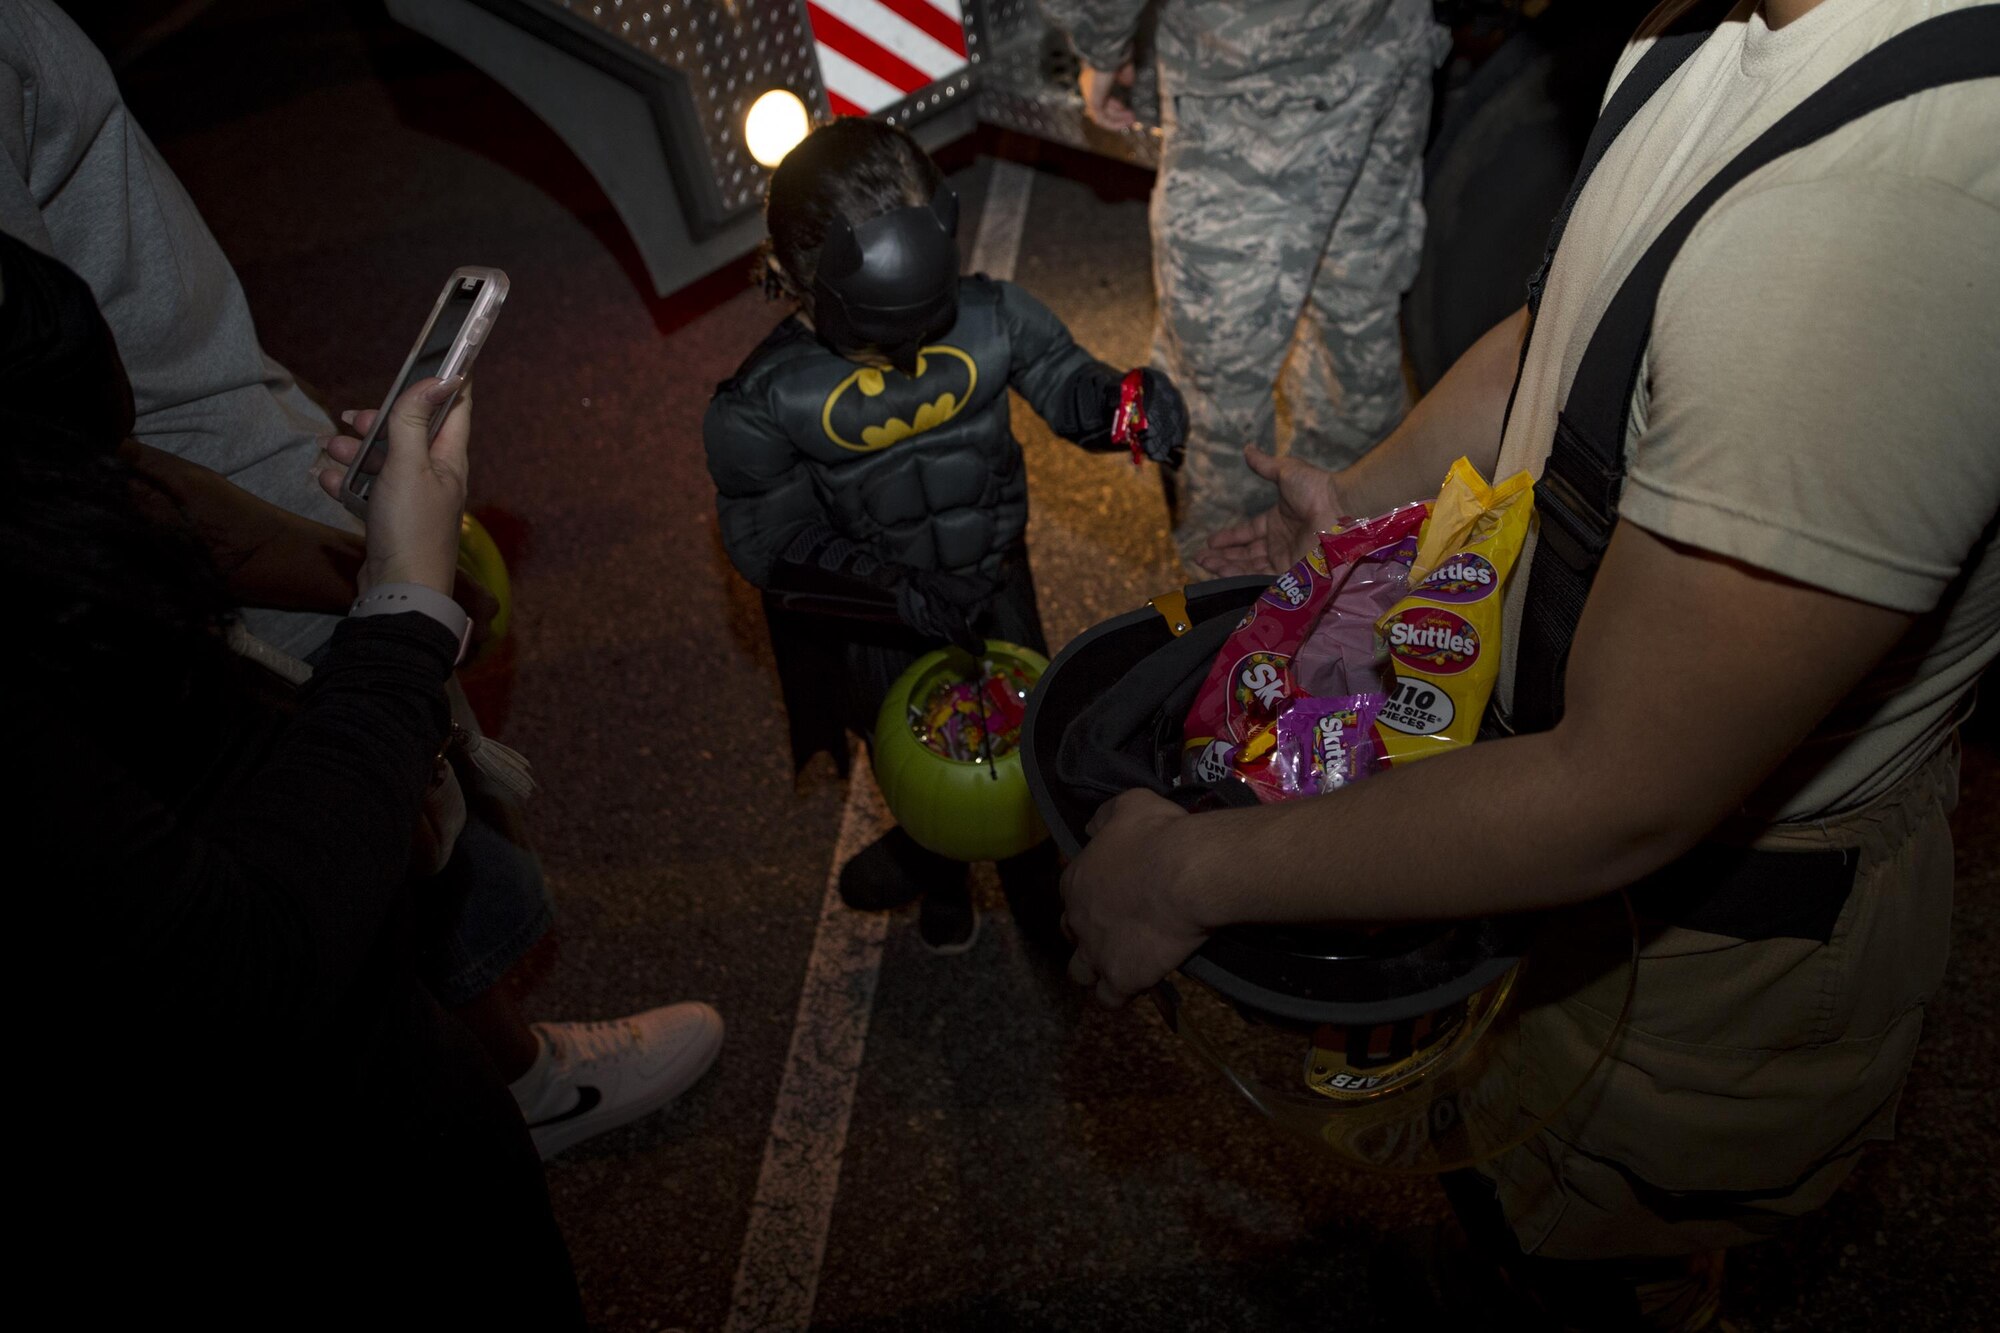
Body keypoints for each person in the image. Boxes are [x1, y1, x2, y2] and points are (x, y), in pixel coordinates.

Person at [1062, 0, 1999, 1326]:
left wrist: (1181, 876)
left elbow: (1619, 791)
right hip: (1557, 852)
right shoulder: (1716, 30)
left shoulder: (1874, 226)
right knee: (1508, 1198)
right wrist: (1369, 499)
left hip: (1686, 945)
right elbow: (1573, 325)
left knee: (1586, 1264)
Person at [1, 0, 721, 1161]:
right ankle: (511, 1092)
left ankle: (501, 1078)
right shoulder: (71, 527)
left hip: (190, 512)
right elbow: (59, 466)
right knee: (342, 855)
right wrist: (394, 587)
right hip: (179, 583)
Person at [4, 230, 583, 1319]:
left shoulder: (65, 503)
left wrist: (376, 562)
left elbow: (127, 496)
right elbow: (252, 963)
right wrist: (405, 600)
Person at [705, 118, 1186, 952]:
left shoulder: (993, 314)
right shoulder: (762, 401)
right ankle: (938, 868)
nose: (906, 349)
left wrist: (1130, 407)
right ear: (793, 278)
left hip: (995, 578)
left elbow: (1069, 383)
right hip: (872, 616)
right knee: (911, 755)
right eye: (877, 329)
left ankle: (1040, 879)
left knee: (1030, 742)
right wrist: (888, 591)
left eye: (929, 314)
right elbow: (766, 542)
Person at [1041, 0, 1448, 572]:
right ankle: (1356, 554)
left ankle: (1235, 609)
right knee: (1353, 314)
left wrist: (1102, 47)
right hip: (1385, 38)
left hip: (1252, 76)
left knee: (1218, 374)